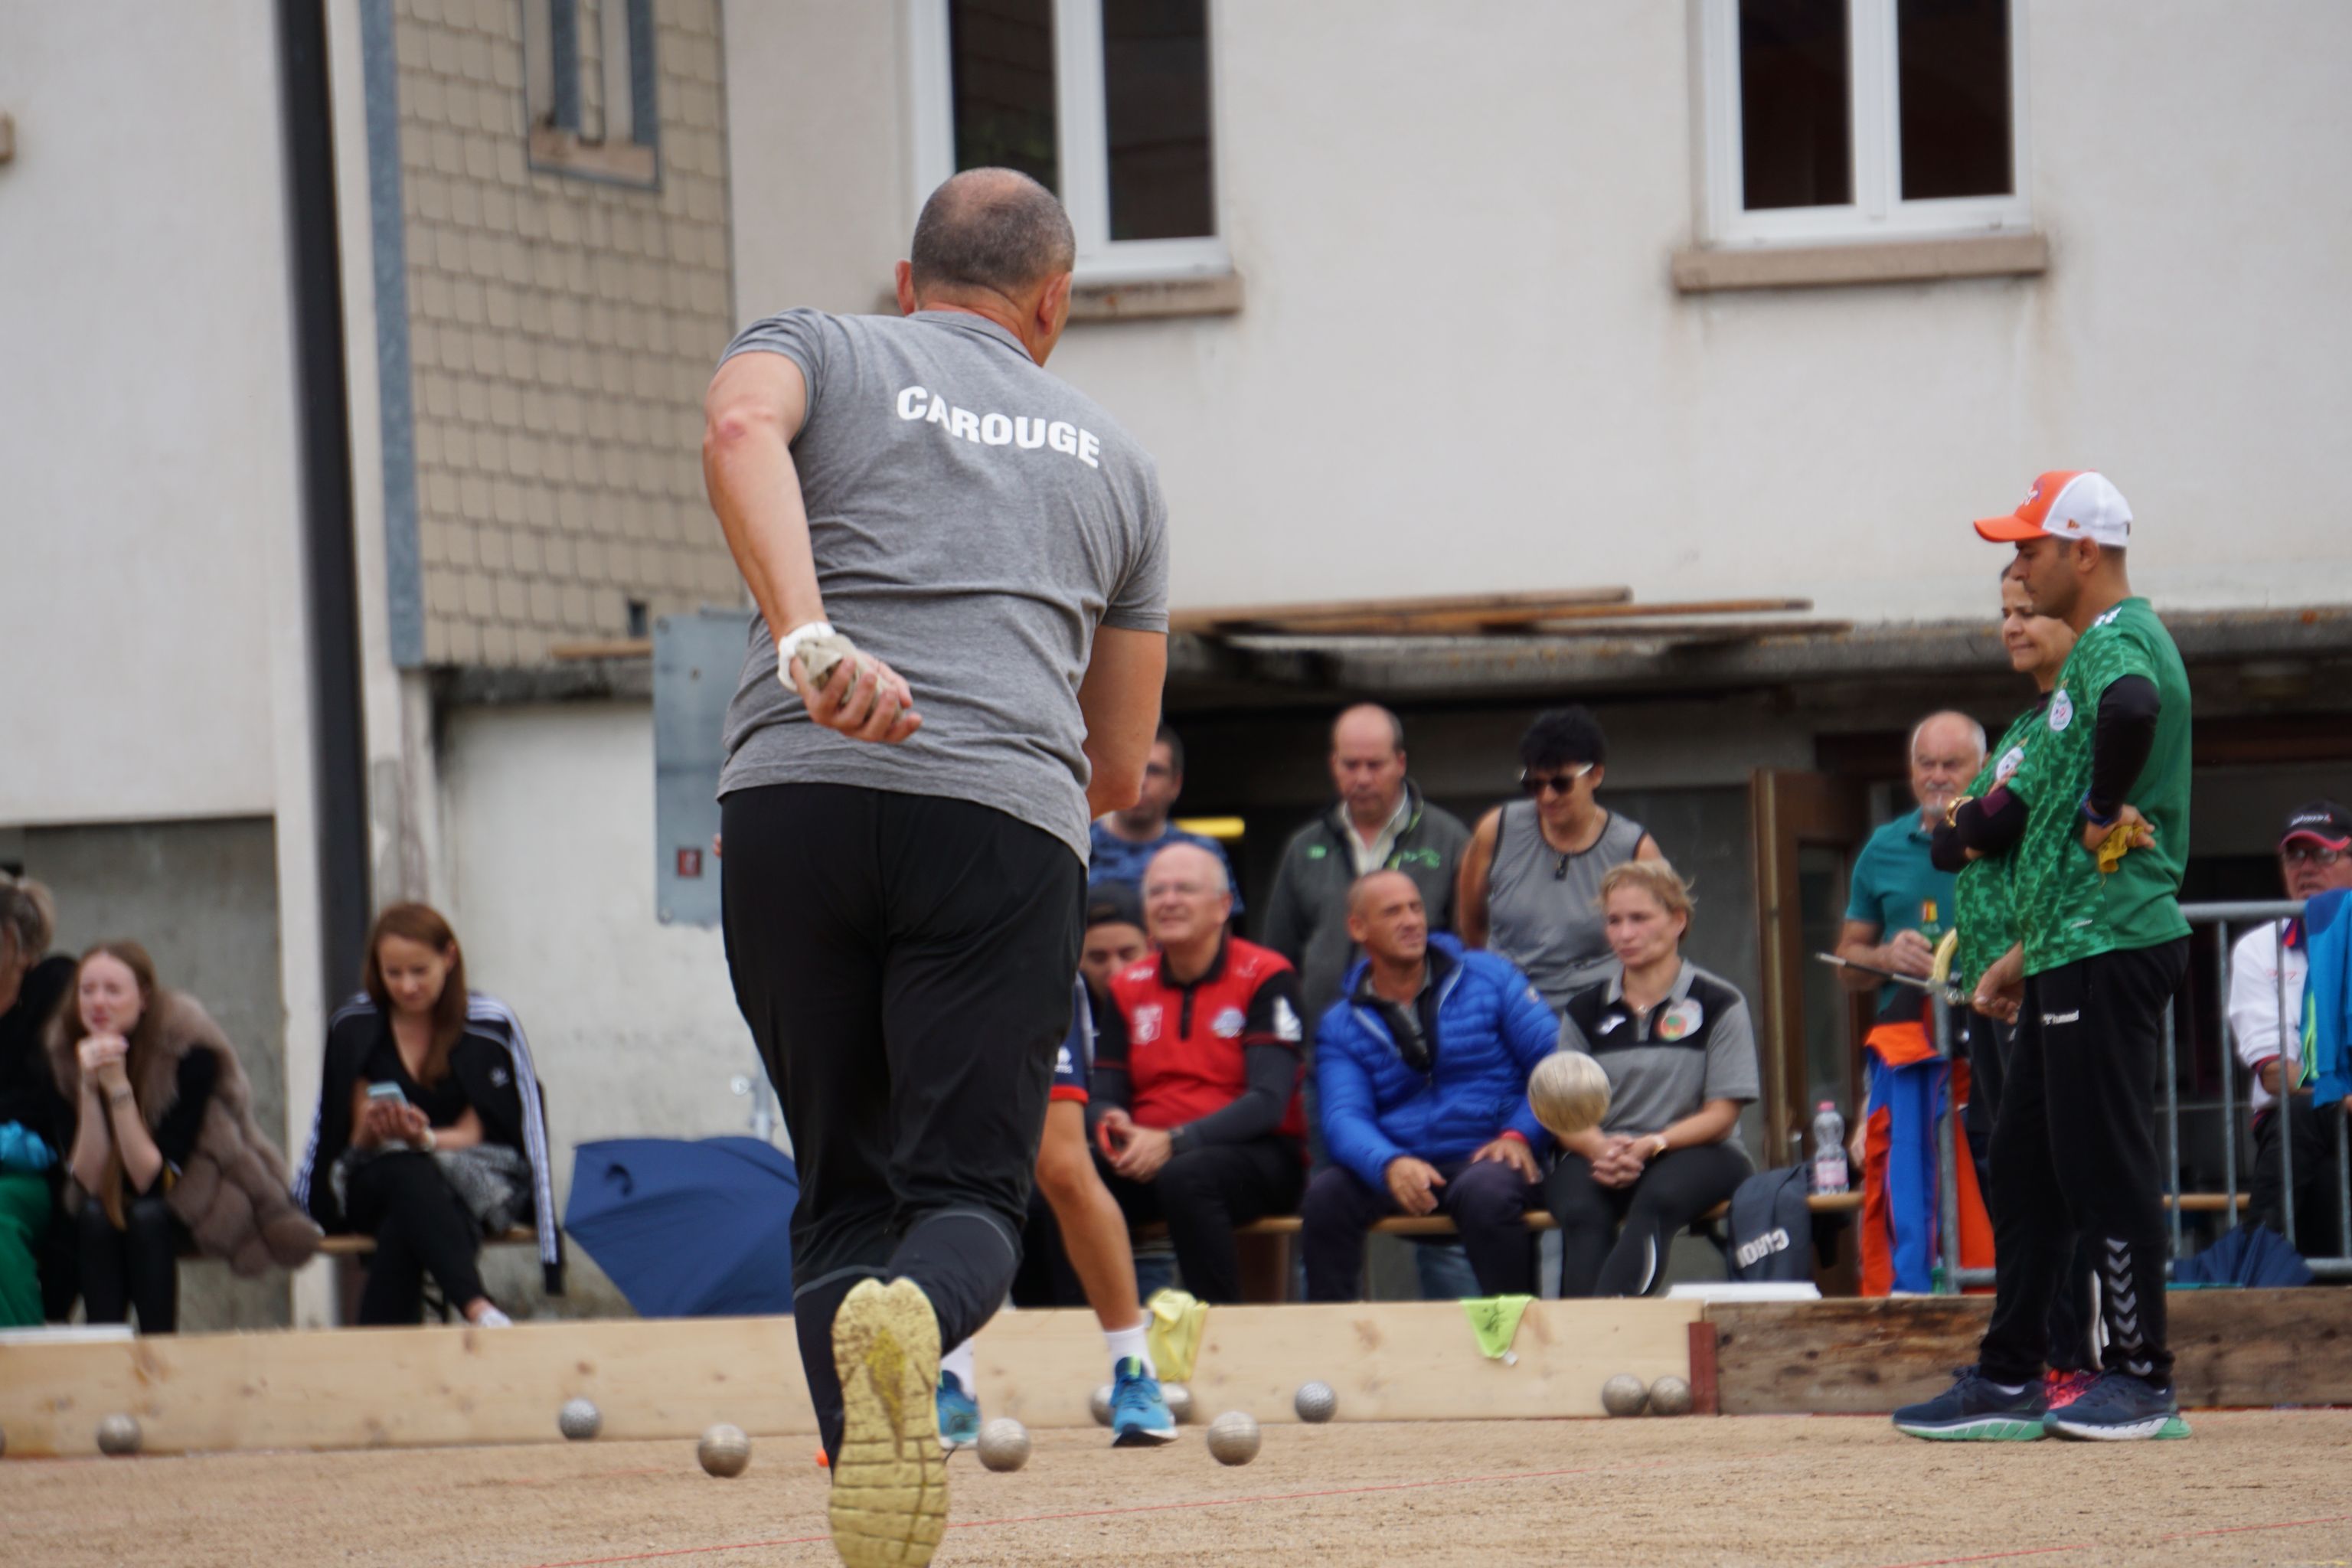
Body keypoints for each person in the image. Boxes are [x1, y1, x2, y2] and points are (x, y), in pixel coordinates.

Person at [703, 166, 1165, 1561]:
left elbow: (737, 426)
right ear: (1054, 301)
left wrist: (810, 639)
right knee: (965, 1197)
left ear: (907, 284)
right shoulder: (1120, 463)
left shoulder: (820, 345)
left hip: (793, 798)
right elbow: (1116, 772)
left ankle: (873, 1494)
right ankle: (922, 1311)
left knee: (840, 1187)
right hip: (998, 823)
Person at [1900, 469, 2194, 1442]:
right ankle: (2012, 1371)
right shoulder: (2092, 651)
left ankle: (2141, 1374)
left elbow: (2134, 708)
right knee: (2026, 1159)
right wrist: (2017, 957)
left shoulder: (2116, 638)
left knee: (2100, 1158)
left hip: (2111, 938)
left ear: (2084, 551)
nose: (2018, 569)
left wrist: (2105, 807)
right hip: (2070, 944)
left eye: (2030, 548)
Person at [1939, 564, 2096, 1403]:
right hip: (1995, 982)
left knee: (2053, 1170)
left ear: (2071, 613)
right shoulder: (2025, 721)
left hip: (2044, 969)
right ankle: (2027, 1354)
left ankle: (2072, 1357)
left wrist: (1974, 817)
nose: (2012, 625)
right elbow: (1949, 838)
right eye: (2004, 611)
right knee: (2007, 1168)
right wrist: (1970, 818)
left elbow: (1994, 818)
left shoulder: (2070, 711)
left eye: (2029, 610)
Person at [942, 890, 1177, 1450]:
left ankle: (1134, 1370)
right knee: (941, 1170)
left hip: (1026, 958)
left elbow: (1104, 809)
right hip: (924, 965)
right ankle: (950, 1380)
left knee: (1064, 1170)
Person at [290, 903, 561, 1327]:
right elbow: (340, 1134)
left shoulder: (488, 1024)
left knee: (405, 1216)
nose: (407, 986)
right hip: (375, 1175)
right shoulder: (354, 1026)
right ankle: (477, 1307)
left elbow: (481, 1130)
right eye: (393, 973)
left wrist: (424, 1141)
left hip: (470, 1177)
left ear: (448, 958)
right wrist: (373, 1133)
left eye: (419, 971)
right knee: (404, 1170)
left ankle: (379, 1354)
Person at [1302, 871, 1558, 1301]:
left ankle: (1514, 1329)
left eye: (1416, 908)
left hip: (1490, 1155)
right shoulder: (1341, 1023)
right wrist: (1388, 1163)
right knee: (1326, 1196)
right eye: (1393, 912)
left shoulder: (1491, 976)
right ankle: (1332, 1336)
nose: (1411, 921)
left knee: (1486, 1192)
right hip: (1404, 1165)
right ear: (1358, 928)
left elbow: (1556, 1066)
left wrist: (1520, 1135)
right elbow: (1344, 1116)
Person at [48, 942, 318, 1331]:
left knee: (145, 1216)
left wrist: (118, 1087)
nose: (98, 1003)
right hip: (109, 1197)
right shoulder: (63, 1053)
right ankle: (104, 1347)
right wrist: (90, 1091)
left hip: (193, 1193)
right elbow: (89, 1181)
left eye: (113, 991)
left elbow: (150, 1179)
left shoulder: (188, 1050)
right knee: (95, 1216)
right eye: (87, 991)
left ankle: (161, 1348)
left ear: (144, 998)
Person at [1093, 844, 1307, 1303]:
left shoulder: (1266, 974)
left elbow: (1268, 1102)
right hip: (1150, 1155)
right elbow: (1105, 1092)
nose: (1169, 901)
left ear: (1223, 906)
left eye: (1185, 889)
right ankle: (1076, 1329)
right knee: (1069, 1177)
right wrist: (1115, 1125)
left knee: (1188, 1175)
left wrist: (1175, 1141)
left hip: (1257, 1156)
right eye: (1157, 891)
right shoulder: (1126, 986)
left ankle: (1218, 1329)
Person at [1546, 862, 1759, 1296]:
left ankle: (1610, 1317)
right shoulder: (1584, 1010)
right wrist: (1601, 1149)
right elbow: (1567, 1114)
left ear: (1678, 920)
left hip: (1697, 1150)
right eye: (1614, 921)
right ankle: (1579, 1330)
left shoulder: (1720, 1001)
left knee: (1659, 1198)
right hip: (1604, 1151)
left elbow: (1722, 1115)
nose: (1625, 933)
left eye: (1639, 918)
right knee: (1581, 1209)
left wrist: (1652, 1144)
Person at [1838, 710, 1993, 1297]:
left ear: (1984, 767)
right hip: (1908, 1052)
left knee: (1993, 1189)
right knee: (1909, 1196)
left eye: (1952, 764)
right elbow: (1847, 963)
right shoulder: (1884, 847)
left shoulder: (2008, 839)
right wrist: (1883, 956)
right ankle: (1913, 1306)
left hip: (1992, 1045)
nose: (1937, 776)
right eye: (1925, 764)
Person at [1264, 704, 1470, 1135]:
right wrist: (1291, 1048)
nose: (1361, 778)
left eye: (1374, 765)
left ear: (1401, 763)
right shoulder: (1304, 847)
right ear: (1333, 765)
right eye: (1350, 764)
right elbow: (1278, 959)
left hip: (1424, 1060)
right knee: (1332, 1169)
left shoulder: (1449, 839)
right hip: (1327, 1057)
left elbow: (1470, 950)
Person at [1456, 706, 1663, 1011]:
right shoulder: (1495, 830)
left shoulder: (1634, 849)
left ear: (1596, 775)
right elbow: (1470, 920)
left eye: (1561, 783)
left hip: (1597, 1006)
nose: (1547, 797)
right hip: (1509, 1000)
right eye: (1534, 784)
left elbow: (1662, 935)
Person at [2227, 802, 2352, 1256]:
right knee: (2304, 1120)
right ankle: (2258, 1269)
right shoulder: (2258, 947)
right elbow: (2276, 1073)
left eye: (2323, 854)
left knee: (2327, 1181)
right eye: (2294, 855)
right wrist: (2340, 1092)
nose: (2306, 868)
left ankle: (2256, 1265)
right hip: (2298, 1123)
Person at [0, 874, 76, 1326]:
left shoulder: (55, 987)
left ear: (9, 941)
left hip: (48, 1172)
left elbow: (47, 1099)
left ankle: (27, 1352)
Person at [1089, 723, 1240, 911]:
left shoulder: (1202, 852)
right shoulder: (1081, 845)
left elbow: (1222, 924)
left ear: (1176, 784)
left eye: (1154, 771)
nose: (1141, 781)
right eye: (1130, 768)